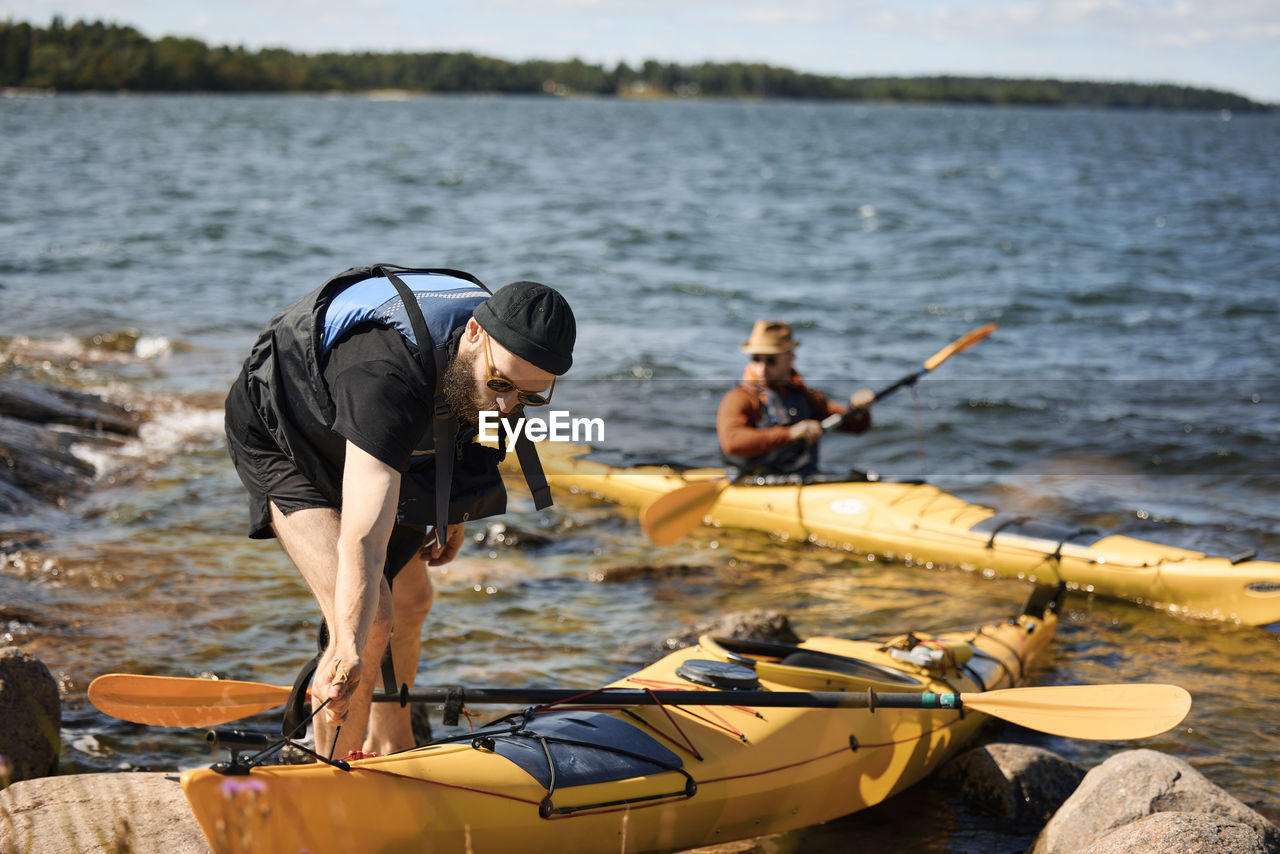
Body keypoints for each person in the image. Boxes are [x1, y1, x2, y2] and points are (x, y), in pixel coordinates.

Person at [223, 264, 575, 759]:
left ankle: (391, 740)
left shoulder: (492, 364)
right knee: (371, 623)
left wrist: (452, 505)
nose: (509, 406)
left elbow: (480, 422)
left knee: (410, 600)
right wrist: (346, 644)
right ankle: (334, 768)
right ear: (473, 332)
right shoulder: (383, 372)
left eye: (531, 395)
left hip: (382, 441)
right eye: (501, 385)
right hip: (286, 439)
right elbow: (362, 543)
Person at [716, 320, 873, 478]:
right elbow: (732, 442)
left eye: (771, 360)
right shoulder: (739, 397)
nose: (761, 369)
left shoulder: (806, 396)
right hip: (751, 484)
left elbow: (856, 426)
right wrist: (791, 433)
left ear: (790, 358)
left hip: (801, 483)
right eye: (756, 359)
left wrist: (858, 408)